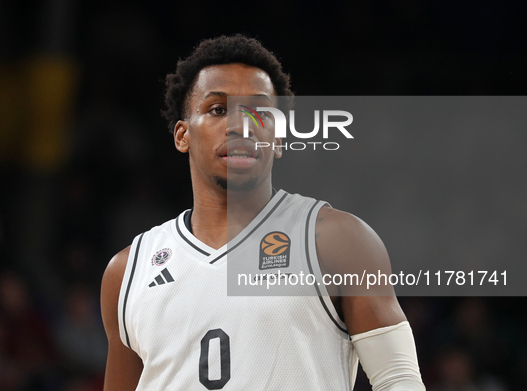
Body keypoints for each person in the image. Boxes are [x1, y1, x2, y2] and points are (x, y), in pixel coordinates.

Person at [101, 34, 425, 390]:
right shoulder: (127, 271)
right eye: (218, 110)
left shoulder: (337, 241)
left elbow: (399, 380)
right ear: (182, 136)